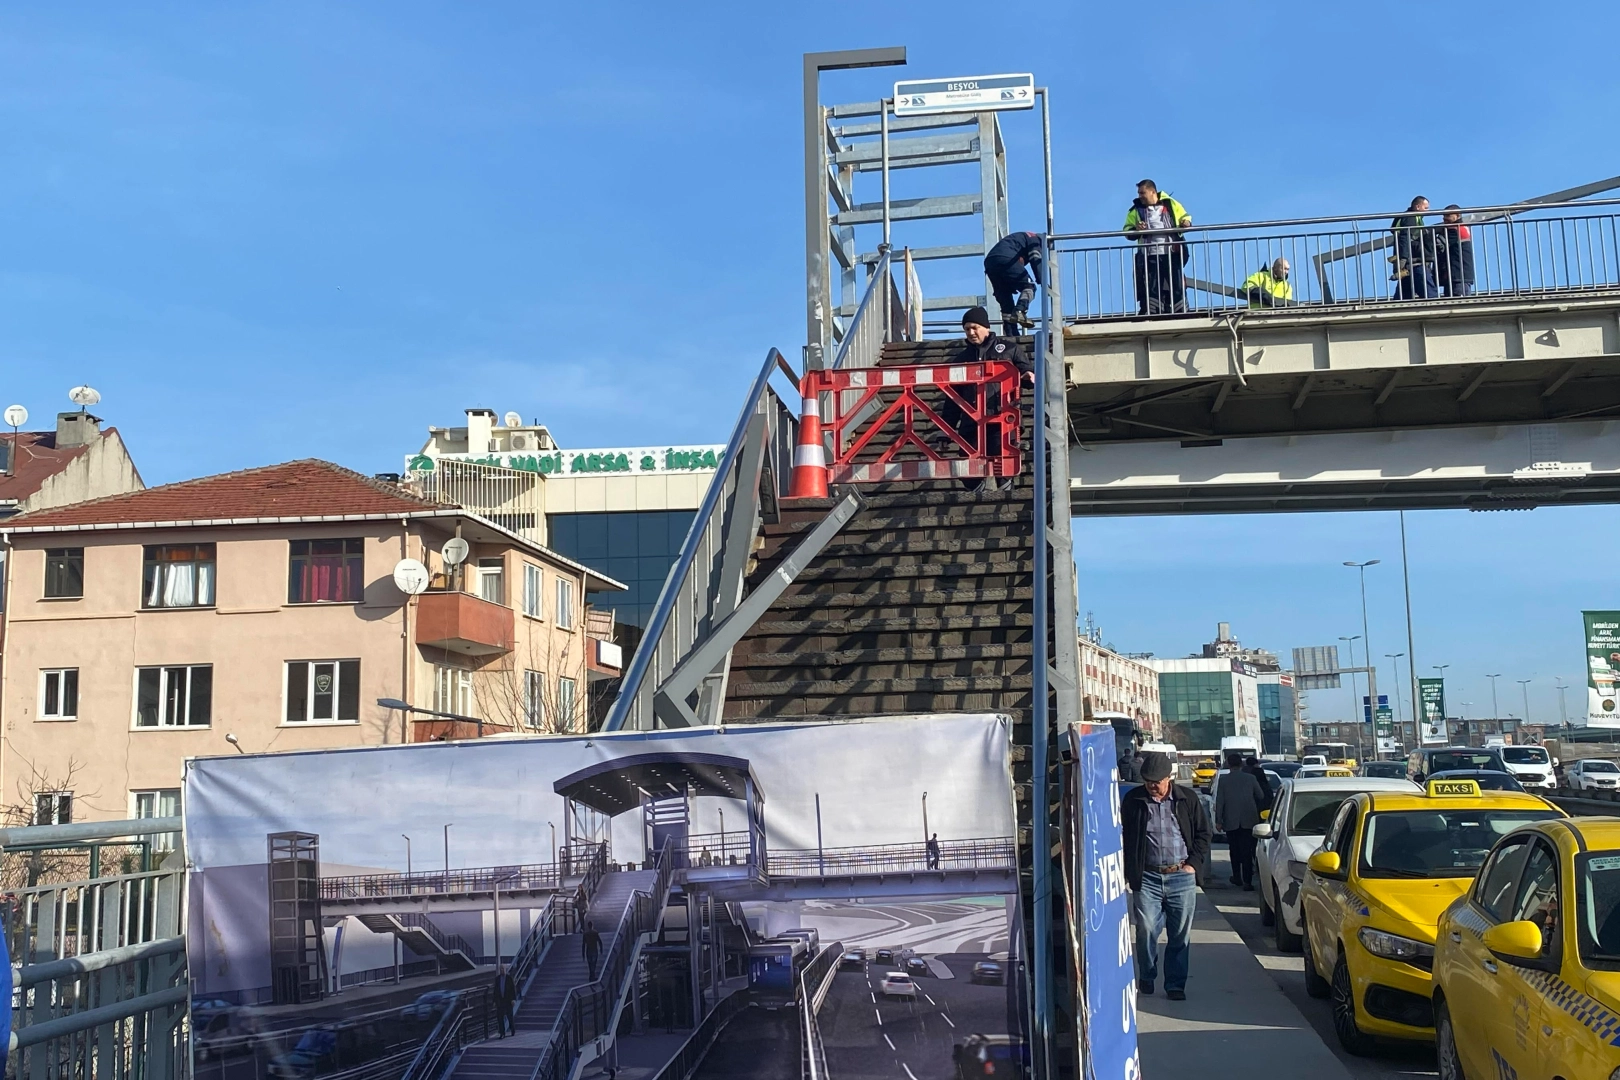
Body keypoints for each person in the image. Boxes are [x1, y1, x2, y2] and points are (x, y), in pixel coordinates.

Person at [1121, 751, 1211, 1001]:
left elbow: (1204, 834)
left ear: (1168, 778)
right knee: (1146, 928)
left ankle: (1175, 984)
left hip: (1180, 875)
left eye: (1156, 781)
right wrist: (1130, 871)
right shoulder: (1134, 800)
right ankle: (1148, 974)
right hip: (1147, 876)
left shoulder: (1187, 799)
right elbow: (1125, 836)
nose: (1152, 786)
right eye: (1147, 780)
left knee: (1180, 933)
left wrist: (1193, 864)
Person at [950, 307, 1036, 493]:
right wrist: (946, 428)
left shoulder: (1009, 349)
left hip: (1003, 418)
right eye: (966, 329)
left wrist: (1028, 375)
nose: (971, 333)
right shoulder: (961, 358)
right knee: (966, 466)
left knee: (1004, 461)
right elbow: (952, 397)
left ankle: (1006, 495)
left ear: (986, 327)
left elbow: (1027, 372)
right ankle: (976, 492)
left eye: (974, 327)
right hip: (971, 422)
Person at [1123, 180, 1192, 316]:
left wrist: (1186, 222)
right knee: (1152, 285)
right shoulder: (1135, 210)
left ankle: (1181, 311)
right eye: (1139, 193)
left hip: (1172, 252)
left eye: (1142, 193)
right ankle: (1153, 312)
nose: (1140, 196)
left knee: (1177, 284)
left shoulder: (1171, 203)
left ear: (1152, 192)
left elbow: (1185, 217)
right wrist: (1136, 229)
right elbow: (1127, 231)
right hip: (1149, 255)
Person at [1214, 754, 1268, 891]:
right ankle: (1248, 882)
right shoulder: (1250, 778)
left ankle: (1237, 876)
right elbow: (1261, 795)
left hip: (1231, 820)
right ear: (1241, 764)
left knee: (1234, 850)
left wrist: (1218, 821)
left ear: (1228, 764)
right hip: (1249, 819)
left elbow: (1220, 801)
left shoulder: (1224, 780)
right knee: (1247, 850)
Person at [982, 231, 1043, 337]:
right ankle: (1020, 310)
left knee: (1005, 298)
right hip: (1006, 258)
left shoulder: (1019, 239)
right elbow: (1035, 258)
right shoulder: (1035, 240)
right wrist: (1041, 279)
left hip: (990, 262)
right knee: (1029, 287)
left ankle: (1011, 334)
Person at [1391, 196, 1439, 300]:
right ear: (1418, 207)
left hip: (1409, 260)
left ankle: (1400, 306)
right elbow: (1405, 237)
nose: (1428, 211)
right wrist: (1403, 258)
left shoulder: (1410, 217)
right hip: (1414, 259)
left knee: (1405, 292)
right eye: (1426, 208)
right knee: (1429, 292)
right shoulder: (1411, 218)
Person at [1437, 204, 1475, 297]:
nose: (1444, 218)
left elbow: (1439, 244)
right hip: (1457, 276)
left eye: (1448, 215)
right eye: (1444, 216)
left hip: (1458, 276)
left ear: (1457, 216)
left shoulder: (1455, 229)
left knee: (1458, 303)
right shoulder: (1461, 228)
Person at [493, 964, 517, 1037]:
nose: (501, 970)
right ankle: (502, 1033)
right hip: (500, 1001)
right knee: (500, 1017)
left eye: (503, 969)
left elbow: (513, 989)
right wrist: (494, 1001)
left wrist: (513, 999)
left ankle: (512, 1029)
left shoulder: (509, 978)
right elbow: (495, 991)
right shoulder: (497, 979)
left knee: (510, 1016)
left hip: (508, 1000)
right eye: (500, 969)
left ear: (505, 969)